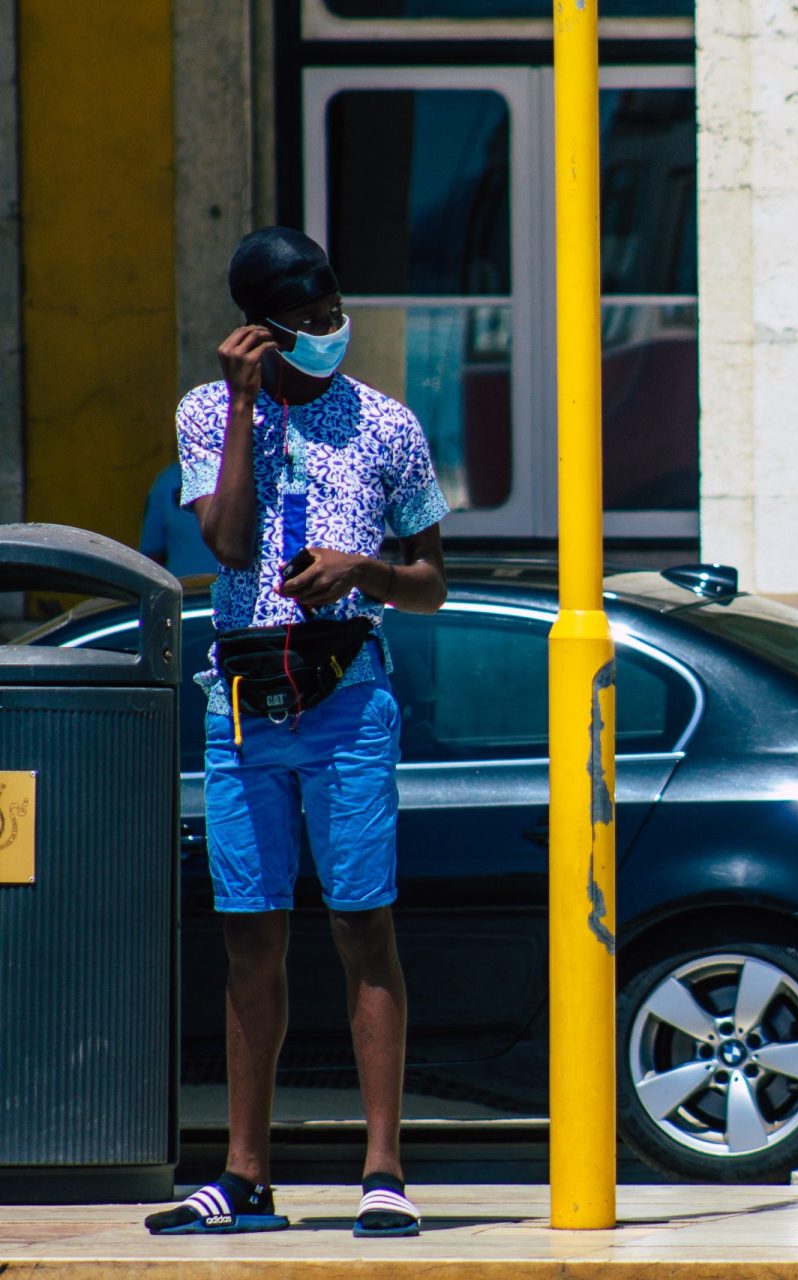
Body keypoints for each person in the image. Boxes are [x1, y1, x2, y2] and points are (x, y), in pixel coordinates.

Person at [143, 227, 449, 1238]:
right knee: (249, 932)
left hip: (347, 695)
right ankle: (242, 1174)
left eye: (333, 315)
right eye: (306, 324)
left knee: (364, 920)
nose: (329, 335)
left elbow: (433, 583)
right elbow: (226, 541)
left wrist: (364, 571)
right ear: (257, 333)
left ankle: (383, 1168)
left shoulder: (389, 425)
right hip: (241, 702)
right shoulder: (205, 409)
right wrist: (239, 406)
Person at [139, 461, 221, 578]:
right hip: (185, 592)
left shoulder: (248, 475)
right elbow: (151, 556)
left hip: (235, 593)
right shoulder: (167, 481)